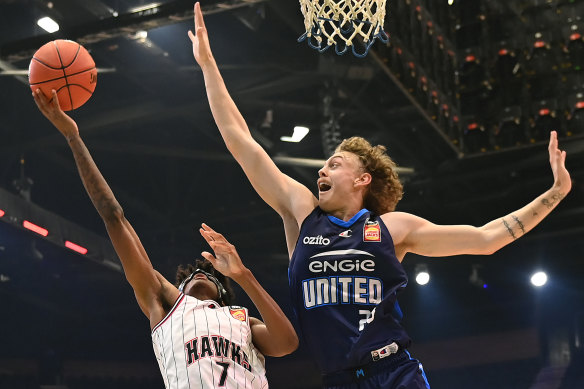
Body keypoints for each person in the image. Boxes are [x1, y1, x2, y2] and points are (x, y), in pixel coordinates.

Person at [188, 2, 572, 388]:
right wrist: (207, 66)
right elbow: (242, 142)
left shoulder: (392, 228)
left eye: (335, 164)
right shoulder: (301, 212)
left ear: (362, 180)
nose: (322, 169)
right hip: (338, 378)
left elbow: (487, 238)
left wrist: (555, 193)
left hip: (395, 372)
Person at [32, 88, 298, 389]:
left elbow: (287, 343)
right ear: (179, 289)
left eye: (208, 275)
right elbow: (113, 216)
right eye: (192, 275)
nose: (199, 272)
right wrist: (73, 137)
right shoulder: (163, 305)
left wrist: (244, 276)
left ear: (223, 294)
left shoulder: (242, 321)